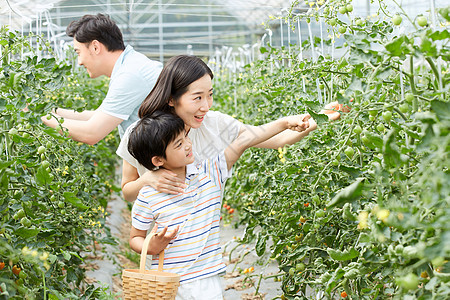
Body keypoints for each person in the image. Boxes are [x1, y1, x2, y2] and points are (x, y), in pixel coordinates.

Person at [127, 110, 311, 299]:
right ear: (158, 160)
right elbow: (135, 238)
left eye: (186, 138)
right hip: (168, 284)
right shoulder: (148, 195)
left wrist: (285, 123)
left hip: (208, 280)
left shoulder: (210, 173)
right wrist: (152, 247)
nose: (188, 145)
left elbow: (244, 140)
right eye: (179, 144)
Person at [116, 55, 328, 202]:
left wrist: (321, 117)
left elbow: (278, 140)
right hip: (163, 244)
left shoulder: (215, 124)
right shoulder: (139, 134)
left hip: (205, 241)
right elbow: (127, 191)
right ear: (172, 98)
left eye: (210, 94)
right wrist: (148, 179)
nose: (206, 106)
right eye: (197, 97)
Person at [41, 13, 162, 144]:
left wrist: (40, 117)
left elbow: (91, 133)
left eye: (78, 52)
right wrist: (53, 111)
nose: (79, 62)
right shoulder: (129, 66)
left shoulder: (130, 74)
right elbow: (96, 116)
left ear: (95, 47)